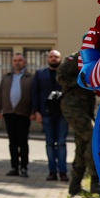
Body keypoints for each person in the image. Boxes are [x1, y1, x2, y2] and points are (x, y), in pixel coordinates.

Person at [57, 50, 99, 196]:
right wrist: (82, 80)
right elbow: (60, 77)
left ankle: (75, 185)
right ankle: (95, 181)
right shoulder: (76, 58)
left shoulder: (97, 57)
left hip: (86, 108)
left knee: (82, 144)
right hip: (72, 106)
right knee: (94, 137)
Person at [32, 49, 69, 181]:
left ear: (60, 59)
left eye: (56, 57)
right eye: (51, 56)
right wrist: (36, 112)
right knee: (49, 143)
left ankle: (63, 172)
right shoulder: (40, 74)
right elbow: (35, 93)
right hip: (46, 113)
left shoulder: (65, 74)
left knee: (61, 143)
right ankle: (52, 171)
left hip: (63, 114)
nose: (53, 58)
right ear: (48, 59)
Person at [0, 53, 33, 177]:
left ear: (25, 62)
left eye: (20, 60)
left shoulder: (30, 77)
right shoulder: (6, 77)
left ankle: (24, 167)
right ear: (12, 63)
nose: (17, 62)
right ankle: (14, 167)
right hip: (9, 113)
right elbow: (0, 94)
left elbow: (34, 96)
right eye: (15, 60)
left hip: (23, 113)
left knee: (22, 142)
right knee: (12, 142)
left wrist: (33, 111)